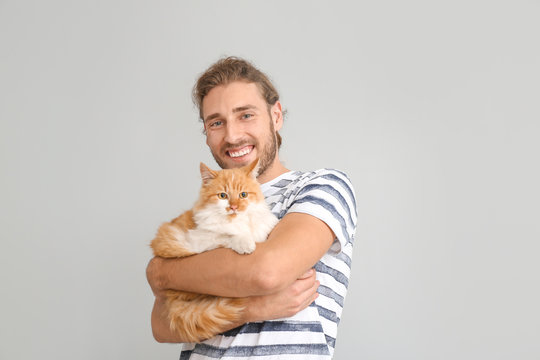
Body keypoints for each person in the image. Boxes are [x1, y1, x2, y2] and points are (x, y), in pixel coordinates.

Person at [146, 56, 357, 359]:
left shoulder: (321, 186)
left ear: (276, 116)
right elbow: (161, 323)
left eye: (245, 115)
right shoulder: (212, 206)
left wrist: (165, 271)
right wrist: (252, 308)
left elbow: (267, 272)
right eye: (216, 122)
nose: (232, 135)